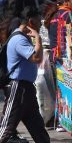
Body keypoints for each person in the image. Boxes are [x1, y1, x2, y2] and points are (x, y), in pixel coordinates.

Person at [0, 8, 50, 143]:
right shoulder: (19, 39)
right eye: (39, 21)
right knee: (5, 130)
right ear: (31, 22)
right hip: (18, 88)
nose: (41, 25)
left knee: (38, 129)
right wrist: (38, 38)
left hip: (26, 89)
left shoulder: (23, 38)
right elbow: (36, 58)